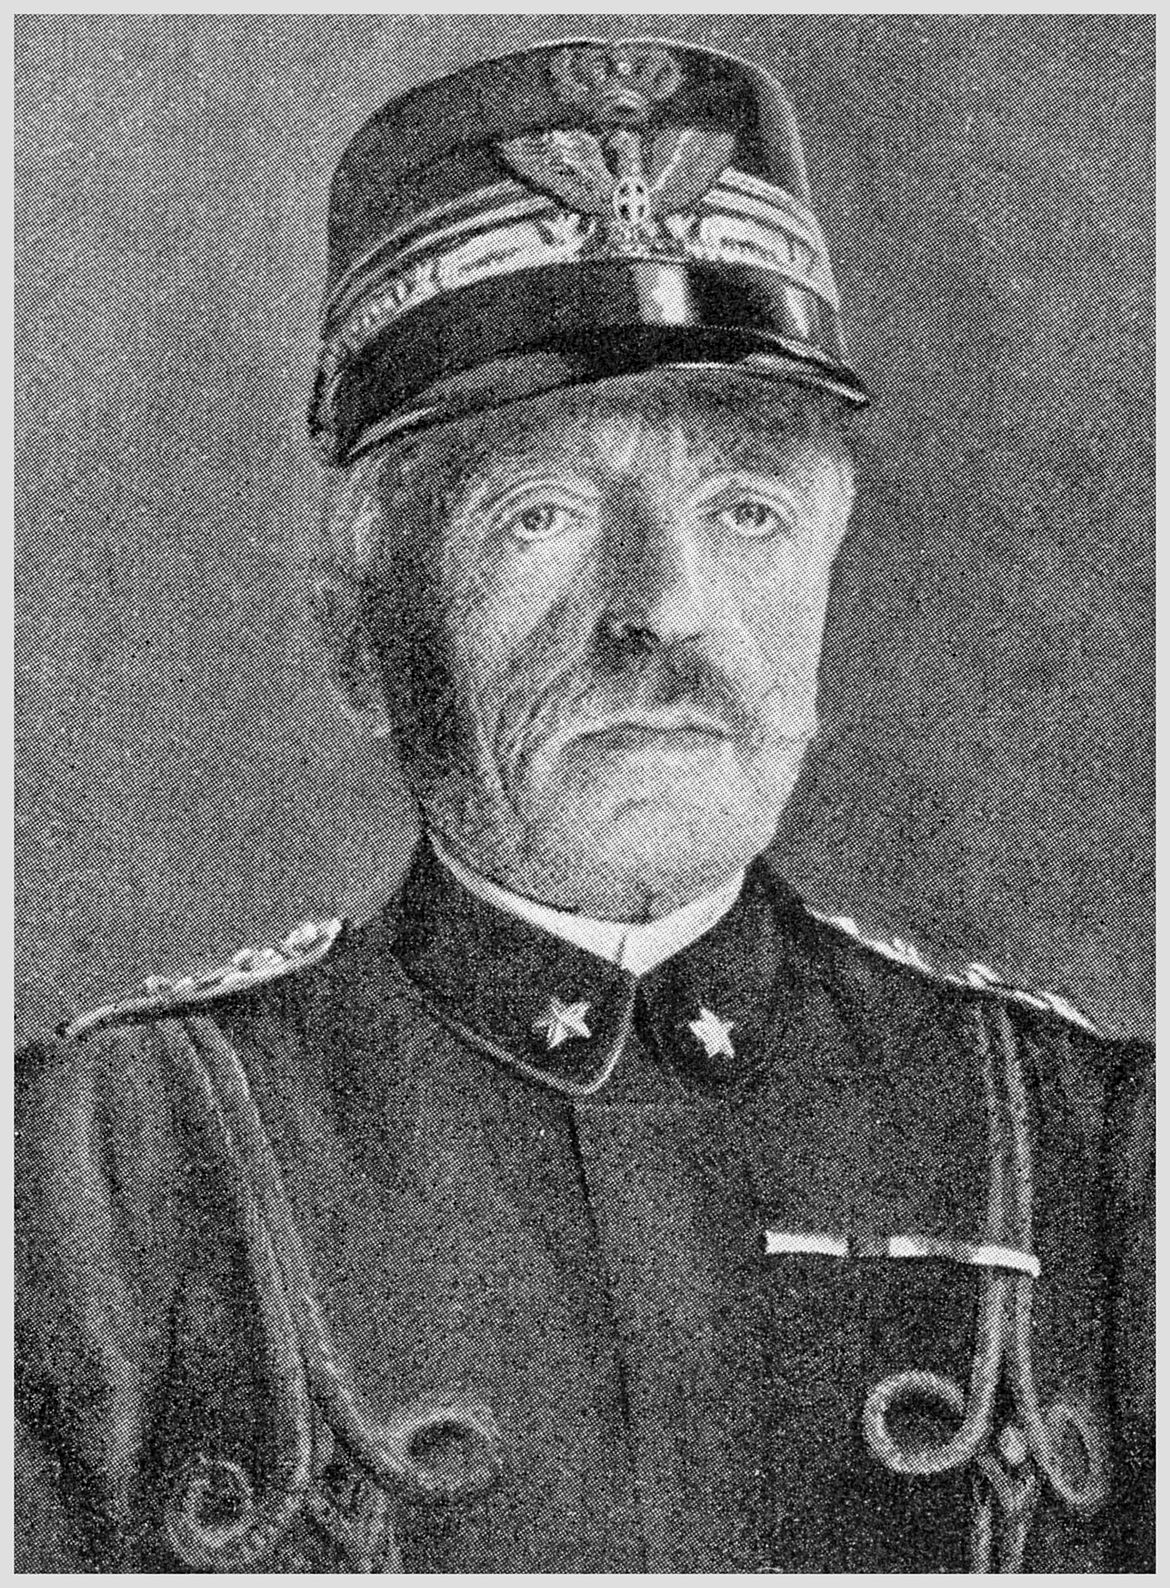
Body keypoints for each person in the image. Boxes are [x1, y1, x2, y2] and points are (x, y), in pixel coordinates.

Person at [16, 38, 1152, 1573]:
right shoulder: (102, 1164)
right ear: (359, 642)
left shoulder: (1087, 1137)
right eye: (539, 514)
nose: (664, 609)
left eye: (744, 510)